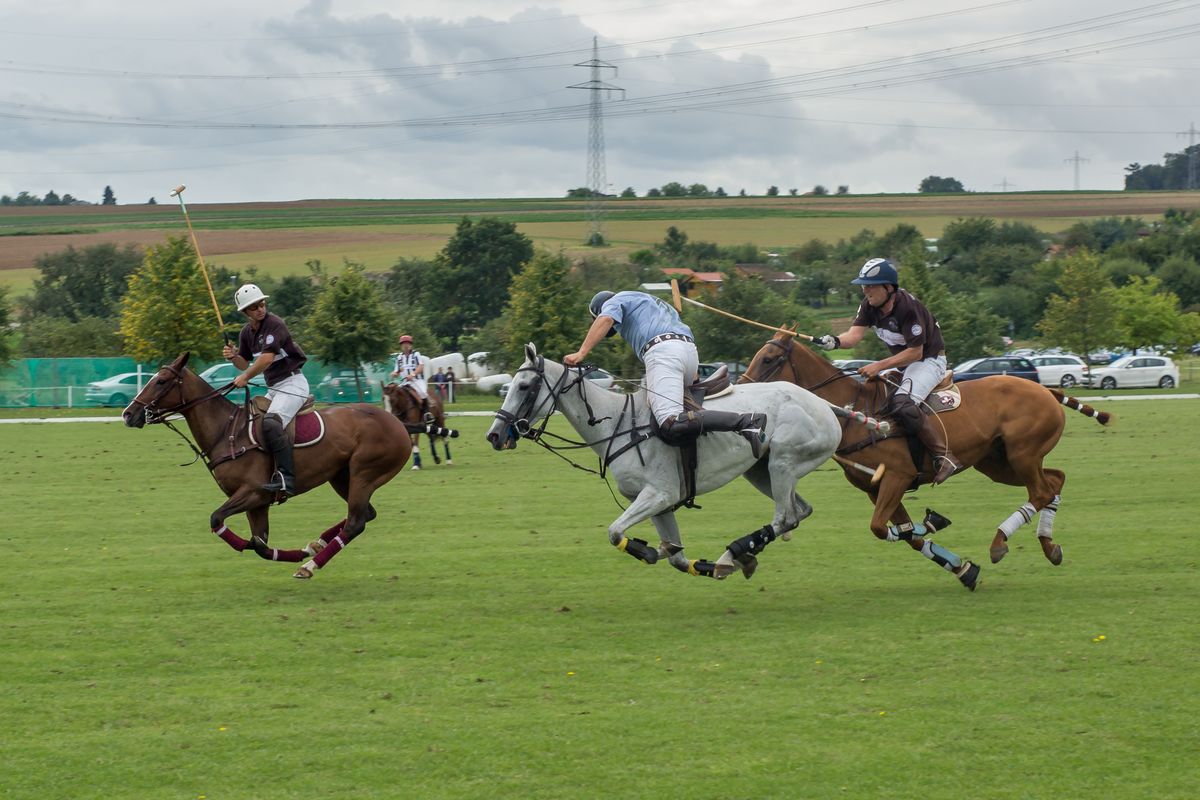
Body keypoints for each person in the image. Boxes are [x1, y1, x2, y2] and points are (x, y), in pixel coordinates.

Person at [814, 258, 963, 484]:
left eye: (871, 285)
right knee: (874, 396)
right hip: (904, 363)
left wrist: (879, 365)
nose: (865, 290)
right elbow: (853, 336)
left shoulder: (909, 307)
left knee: (903, 403)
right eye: (863, 285)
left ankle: (944, 456)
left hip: (929, 360)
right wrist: (834, 341)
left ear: (889, 287)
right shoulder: (868, 306)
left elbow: (915, 352)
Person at [564, 290, 765, 456]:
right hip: (688, 351)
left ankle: (747, 422)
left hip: (663, 351)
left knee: (669, 422)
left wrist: (581, 352)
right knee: (684, 411)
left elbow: (606, 318)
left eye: (594, 319)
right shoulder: (649, 301)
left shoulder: (616, 300)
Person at [224, 283, 310, 495]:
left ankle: (286, 479)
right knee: (251, 422)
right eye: (254, 307)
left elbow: (266, 359)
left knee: (271, 423)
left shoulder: (274, 324)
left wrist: (245, 377)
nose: (260, 309)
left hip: (293, 383)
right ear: (245, 312)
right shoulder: (246, 333)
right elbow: (244, 362)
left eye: (261, 303)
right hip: (274, 388)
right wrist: (234, 357)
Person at [389, 334, 430, 417]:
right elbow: (397, 371)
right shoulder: (399, 357)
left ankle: (427, 413)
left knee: (423, 393)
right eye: (403, 344)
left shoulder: (416, 354)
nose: (405, 345)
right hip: (405, 382)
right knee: (393, 394)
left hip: (417, 380)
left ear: (411, 345)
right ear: (401, 346)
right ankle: (395, 413)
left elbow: (420, 366)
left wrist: (413, 374)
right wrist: (394, 374)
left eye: (407, 343)